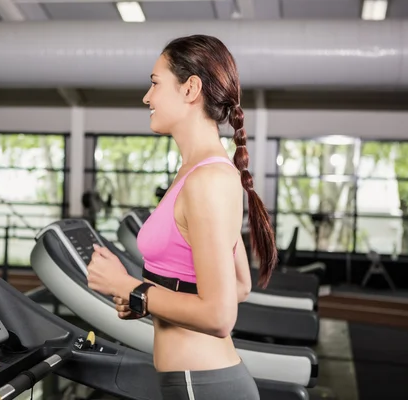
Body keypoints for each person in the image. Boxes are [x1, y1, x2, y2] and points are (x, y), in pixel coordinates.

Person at [86, 34, 278, 400]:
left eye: (155, 83)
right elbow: (240, 284)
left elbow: (220, 316)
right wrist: (143, 300)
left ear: (190, 88)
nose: (147, 97)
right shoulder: (197, 172)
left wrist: (128, 286)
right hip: (196, 381)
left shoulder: (207, 180)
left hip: (201, 385)